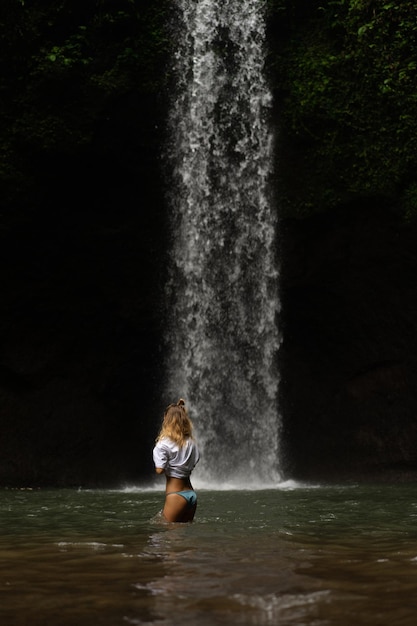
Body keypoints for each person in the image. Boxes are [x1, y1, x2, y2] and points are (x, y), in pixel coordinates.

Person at [153, 398, 200, 523]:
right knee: (183, 535)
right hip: (191, 494)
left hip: (176, 495)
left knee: (168, 535)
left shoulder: (163, 444)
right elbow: (194, 462)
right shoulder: (191, 442)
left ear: (166, 420)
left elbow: (159, 470)